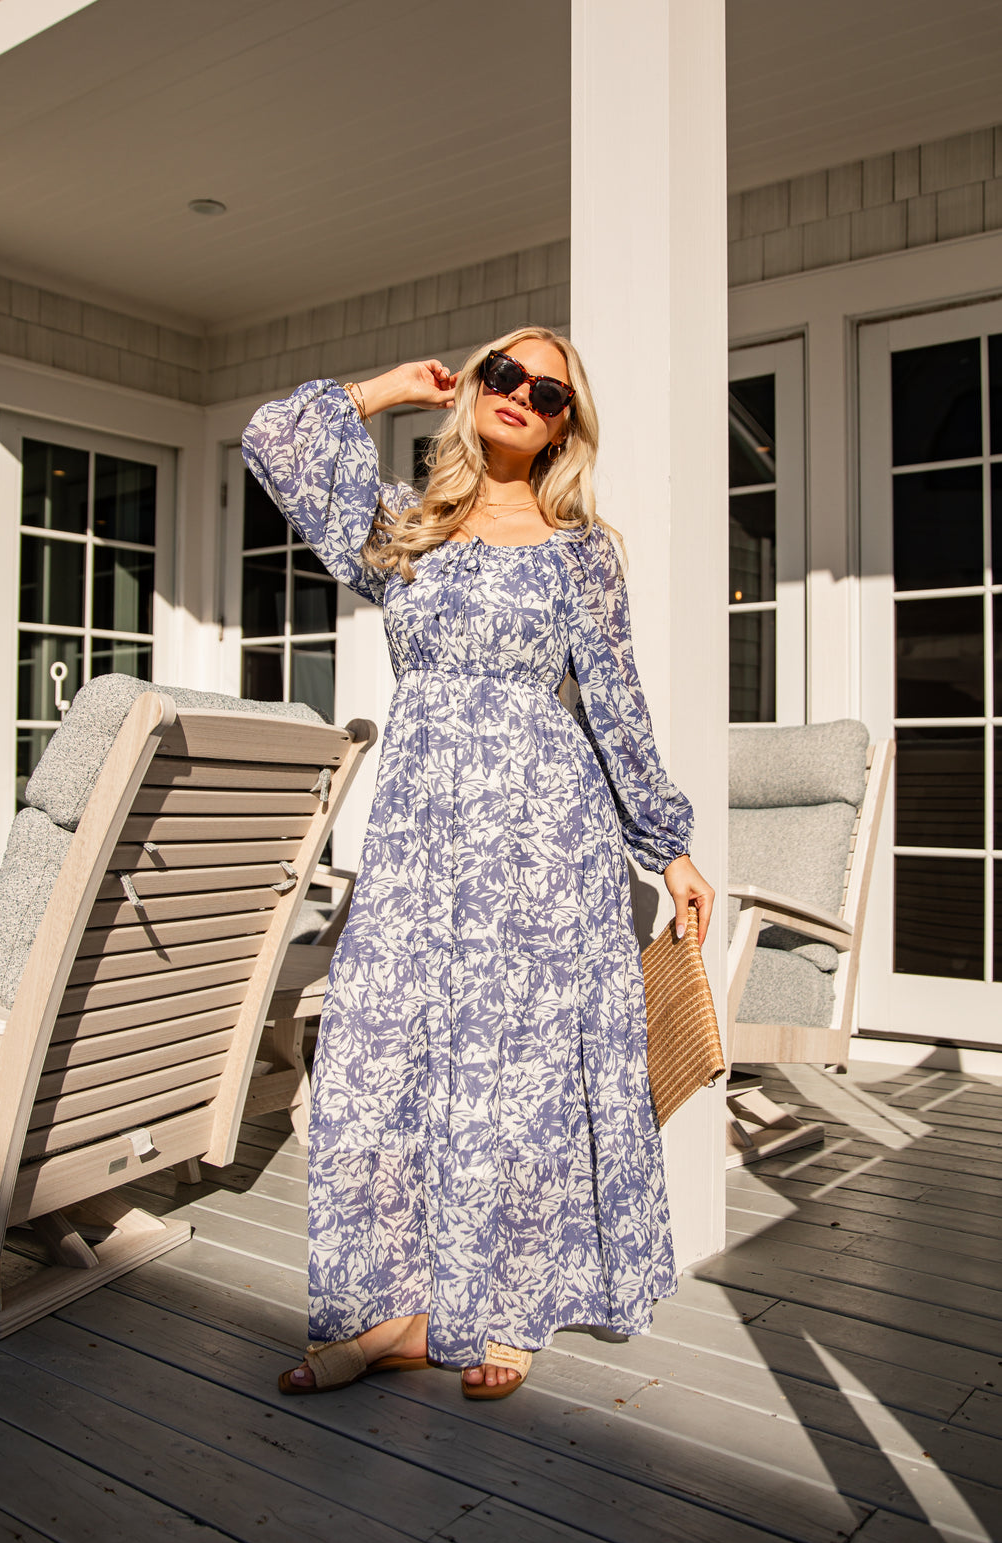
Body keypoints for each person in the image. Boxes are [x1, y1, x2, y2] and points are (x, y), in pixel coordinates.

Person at [242, 327, 714, 1398]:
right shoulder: (408, 535)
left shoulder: (579, 550)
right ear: (474, 391)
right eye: (502, 374)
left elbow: (615, 707)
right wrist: (385, 389)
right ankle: (392, 1311)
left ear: (562, 427)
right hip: (420, 836)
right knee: (386, 1053)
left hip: (549, 842)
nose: (520, 395)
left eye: (546, 392)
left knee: (525, 1071)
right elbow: (274, 441)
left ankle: (514, 1301)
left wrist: (667, 843)